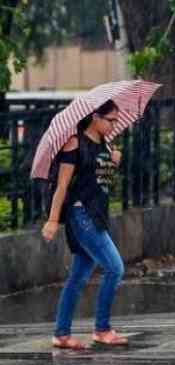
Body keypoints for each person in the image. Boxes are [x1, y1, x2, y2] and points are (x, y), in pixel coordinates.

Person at [41, 99, 128, 349]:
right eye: (110, 120)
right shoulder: (74, 143)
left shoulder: (105, 145)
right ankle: (102, 329)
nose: (114, 125)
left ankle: (61, 334)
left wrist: (113, 163)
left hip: (97, 215)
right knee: (115, 268)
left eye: (116, 120)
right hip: (81, 216)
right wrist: (53, 220)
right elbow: (62, 186)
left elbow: (101, 185)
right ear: (95, 117)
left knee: (78, 277)